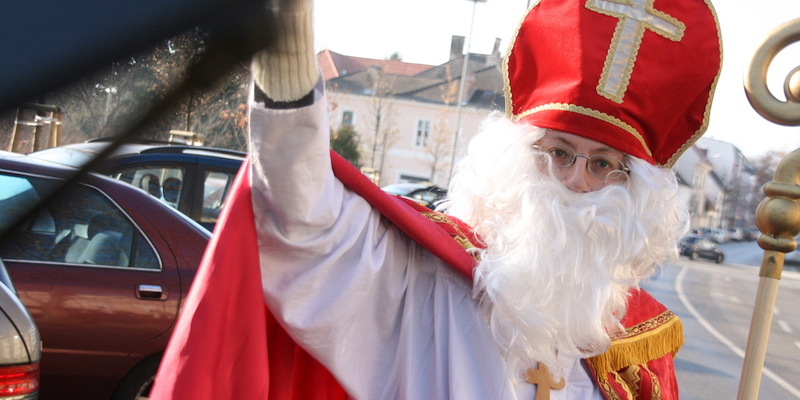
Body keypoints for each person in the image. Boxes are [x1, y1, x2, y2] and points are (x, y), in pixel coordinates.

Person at [151, 0, 722, 399]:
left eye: (602, 165)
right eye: (558, 152)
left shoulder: (637, 346)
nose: (573, 181)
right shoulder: (425, 276)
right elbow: (304, 219)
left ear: (633, 192)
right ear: (516, 159)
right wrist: (285, 58)